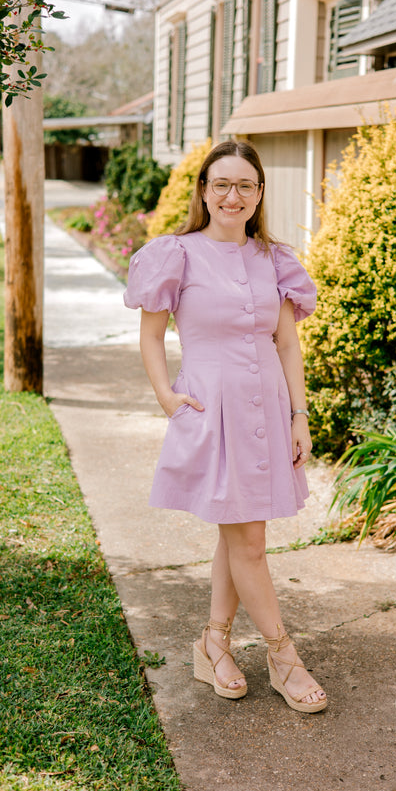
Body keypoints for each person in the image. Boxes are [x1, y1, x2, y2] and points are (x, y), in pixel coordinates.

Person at [124, 140, 327, 713]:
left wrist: (299, 415)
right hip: (213, 411)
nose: (232, 196)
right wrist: (168, 398)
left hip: (267, 408)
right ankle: (283, 657)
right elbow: (151, 335)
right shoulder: (177, 254)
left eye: (245, 185)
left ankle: (213, 643)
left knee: (238, 534)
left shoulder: (274, 258)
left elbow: (286, 343)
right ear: (204, 191)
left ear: (259, 193)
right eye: (222, 184)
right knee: (250, 541)